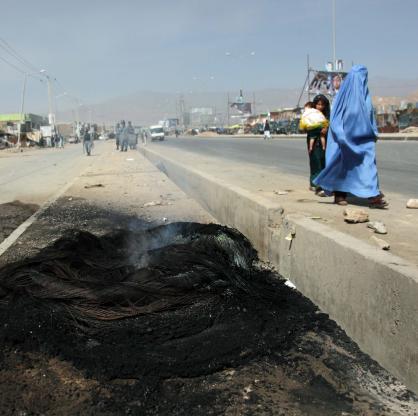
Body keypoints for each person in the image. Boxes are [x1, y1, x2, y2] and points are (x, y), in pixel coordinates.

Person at [313, 65, 388, 208]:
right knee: (341, 166)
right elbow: (335, 119)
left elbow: (370, 114)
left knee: (368, 165)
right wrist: (341, 137)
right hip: (345, 140)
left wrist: (374, 131)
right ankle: (339, 194)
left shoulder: (365, 94)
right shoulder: (343, 96)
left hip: (364, 139)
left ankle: (373, 195)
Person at [301, 94, 330, 194]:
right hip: (313, 141)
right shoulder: (310, 114)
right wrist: (315, 128)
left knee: (324, 161)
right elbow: (303, 127)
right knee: (315, 161)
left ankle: (324, 183)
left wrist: (326, 129)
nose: (320, 107)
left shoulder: (327, 116)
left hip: (326, 141)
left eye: (322, 105)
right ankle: (315, 184)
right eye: (318, 104)